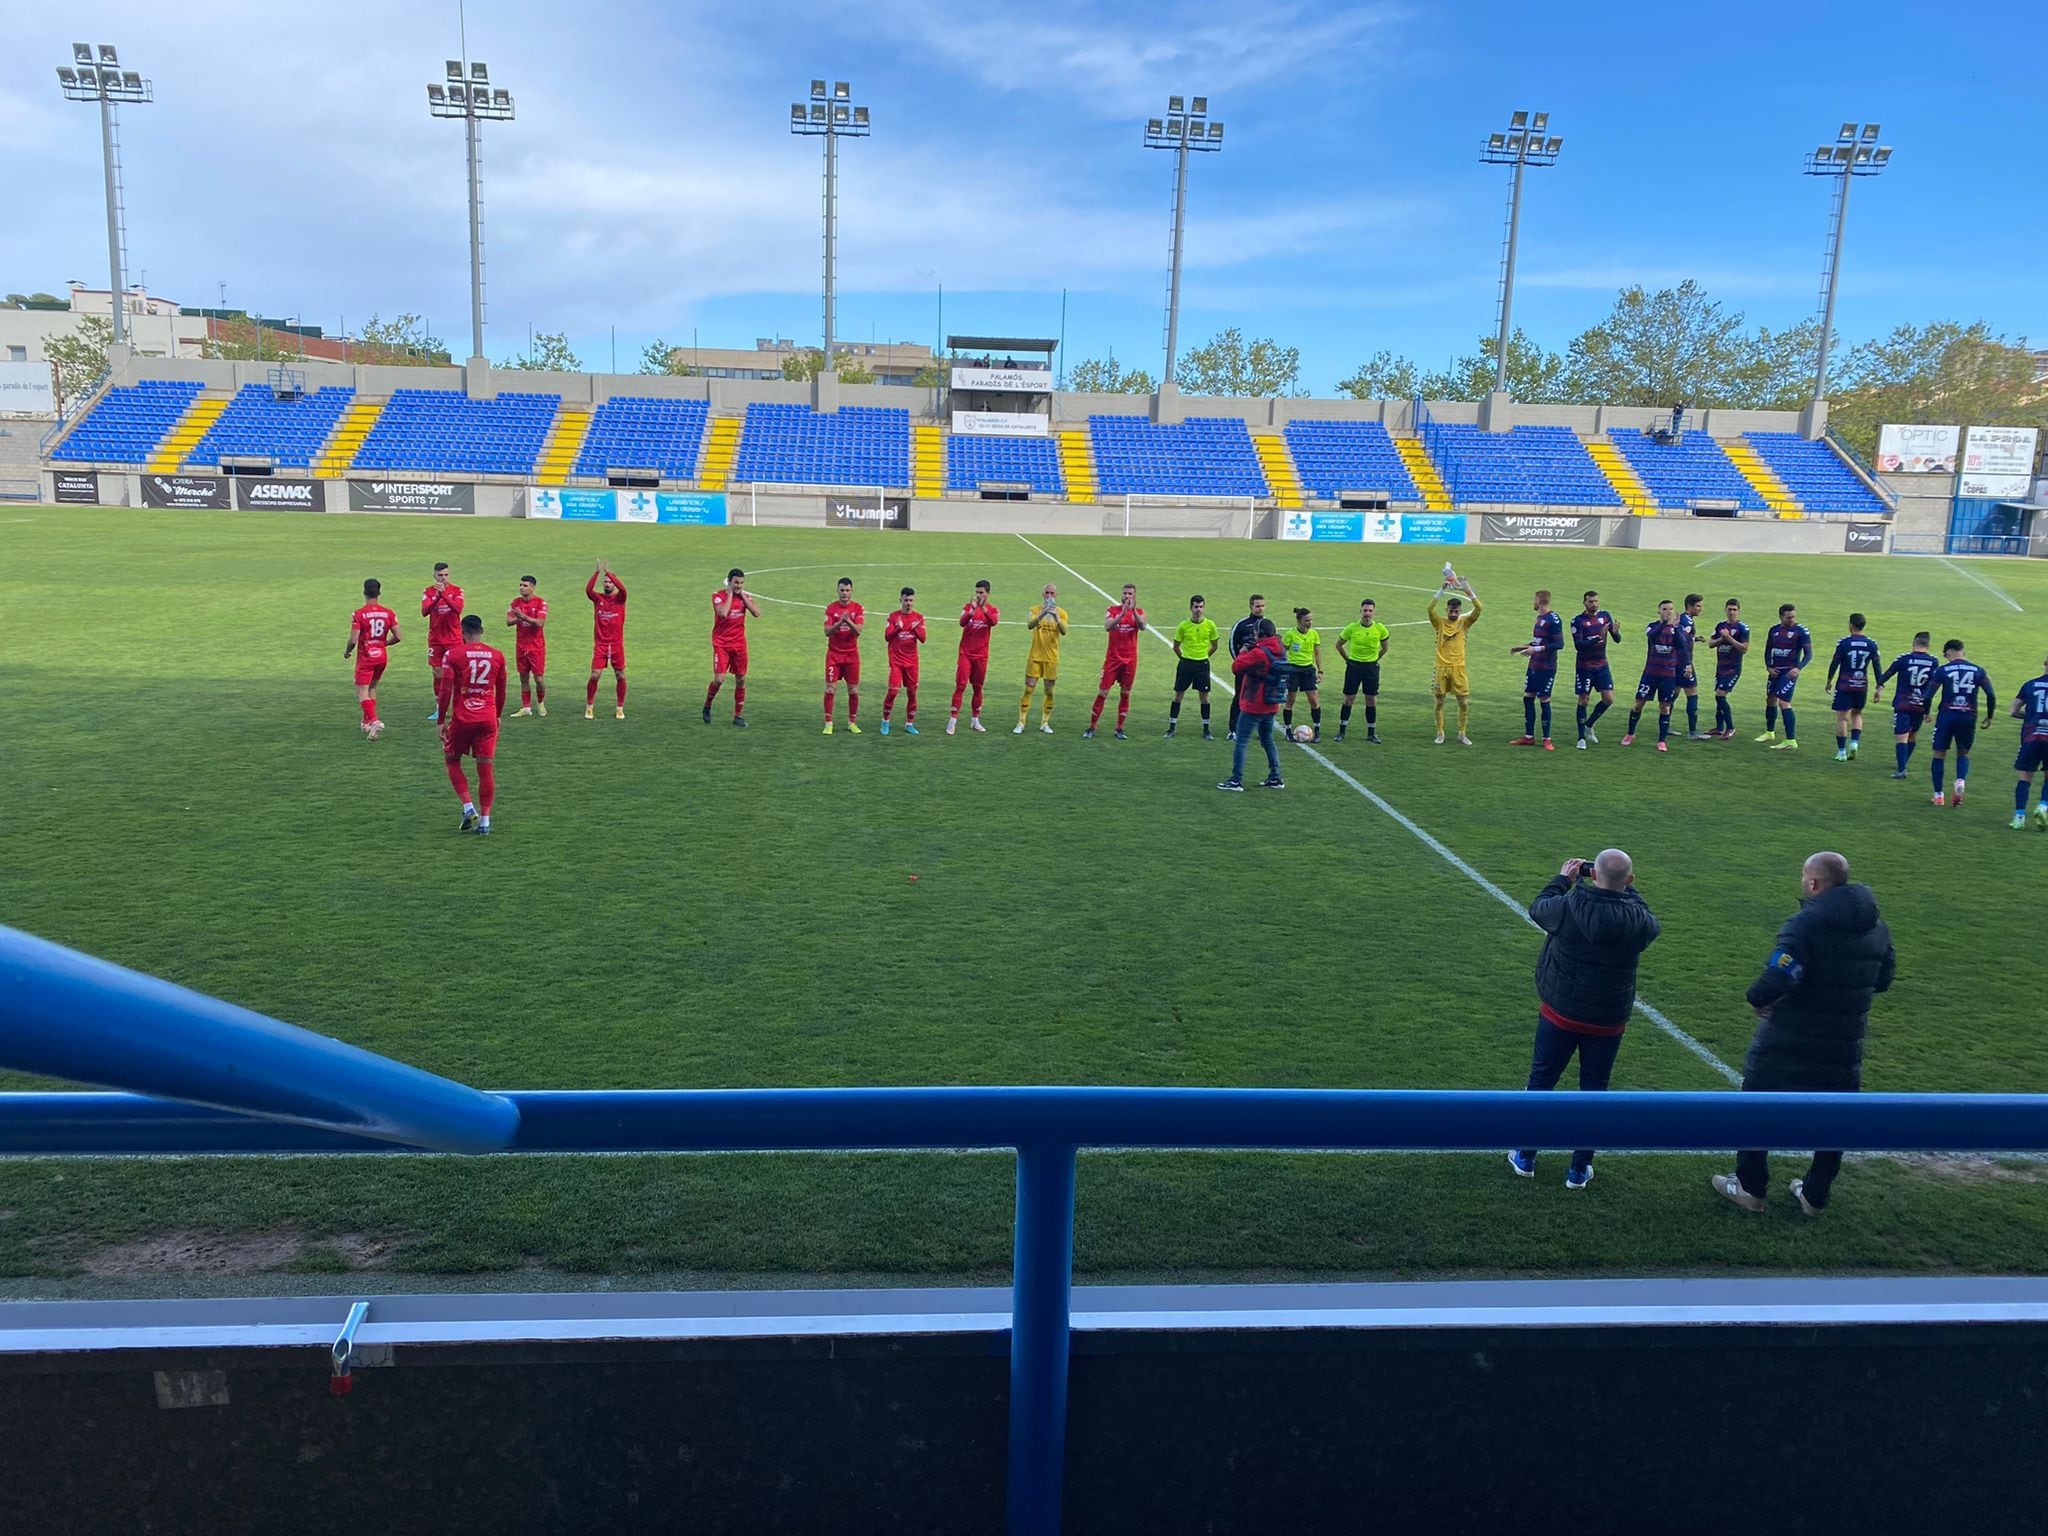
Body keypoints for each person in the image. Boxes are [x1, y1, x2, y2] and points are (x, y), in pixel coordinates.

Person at [1713, 852, 1894, 1216]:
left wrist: (1757, 998)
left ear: (1813, 883)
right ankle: (1815, 1195)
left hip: (1789, 1036)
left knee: (1756, 1104)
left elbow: (1781, 974)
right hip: (1845, 1040)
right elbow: (1884, 979)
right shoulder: (1877, 926)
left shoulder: (1805, 922)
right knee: (1836, 1115)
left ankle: (1750, 1187)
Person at [1508, 849, 1661, 1189]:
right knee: (1594, 1092)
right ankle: (1579, 1169)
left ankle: (1526, 1154)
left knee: (1542, 1081)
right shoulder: (1638, 921)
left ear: (1592, 875)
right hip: (1607, 1021)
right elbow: (1649, 918)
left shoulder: (1568, 907)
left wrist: (1563, 880)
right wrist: (1623, 887)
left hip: (1559, 1012)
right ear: (1630, 881)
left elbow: (1539, 907)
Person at [436, 613, 507, 836]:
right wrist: (498, 715)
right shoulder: (497, 655)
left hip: (463, 718)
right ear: (482, 631)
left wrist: (441, 719)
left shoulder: (453, 655)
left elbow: (445, 689)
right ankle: (485, 820)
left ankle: (468, 807)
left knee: (451, 759)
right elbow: (502, 690)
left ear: (461, 631)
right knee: (485, 768)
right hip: (487, 717)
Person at [1219, 617, 1288, 791]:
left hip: (1254, 702)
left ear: (1261, 633)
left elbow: (1236, 667)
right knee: (1267, 739)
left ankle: (1236, 780)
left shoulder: (1259, 653)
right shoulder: (1280, 648)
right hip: (1272, 702)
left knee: (1241, 740)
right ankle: (1276, 777)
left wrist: (1244, 651)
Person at [1929, 638, 1994, 808]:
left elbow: (1928, 695)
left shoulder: (1943, 670)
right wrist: (1990, 716)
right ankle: (1960, 781)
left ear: (1949, 652)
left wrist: (1926, 712)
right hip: (1968, 716)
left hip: (1947, 715)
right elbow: (1991, 695)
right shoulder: (1979, 671)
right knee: (1963, 752)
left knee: (1939, 753)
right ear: (1963, 651)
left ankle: (1938, 796)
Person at [1622, 600, 1684, 752]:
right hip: (1650, 673)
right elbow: (1652, 637)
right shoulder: (1653, 626)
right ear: (1659, 612)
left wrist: (1676, 629)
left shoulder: (1677, 629)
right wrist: (1663, 624)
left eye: (1670, 609)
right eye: (1664, 609)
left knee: (1665, 707)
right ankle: (1630, 733)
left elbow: (1682, 645)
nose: (1668, 611)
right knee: (1639, 704)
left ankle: (1662, 741)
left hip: (1668, 675)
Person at [1085, 583, 1145, 740]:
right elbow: (1107, 626)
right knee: (1103, 692)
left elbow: (1143, 626)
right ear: (1121, 594)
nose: (1127, 596)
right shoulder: (1112, 610)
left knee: (1125, 693)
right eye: (1125, 593)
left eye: (1130, 594)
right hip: (1112, 660)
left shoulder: (1139, 612)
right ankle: (1092, 727)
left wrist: (1133, 612)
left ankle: (1119, 728)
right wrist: (1122, 614)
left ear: (1135, 596)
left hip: (1130, 660)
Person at [1426, 579, 1481, 746]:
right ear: (1447, 610)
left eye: (1456, 611)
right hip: (1442, 668)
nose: (1453, 614)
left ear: (1460, 611)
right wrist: (1441, 589)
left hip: (1459, 668)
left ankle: (1462, 733)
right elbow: (1429, 608)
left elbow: (1479, 608)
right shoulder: (1439, 623)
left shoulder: (1464, 623)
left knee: (1463, 703)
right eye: (1451, 611)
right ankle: (1440, 732)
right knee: (1439, 702)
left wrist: (1468, 590)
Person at [345, 578, 401, 739]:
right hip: (381, 656)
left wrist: (347, 651)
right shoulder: (388, 613)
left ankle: (375, 720)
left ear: (364, 592)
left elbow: (353, 640)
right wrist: (385, 643)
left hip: (366, 657)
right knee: (372, 688)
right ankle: (366, 722)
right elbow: (399, 636)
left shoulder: (359, 613)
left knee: (361, 691)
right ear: (379, 593)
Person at [1878, 631, 1938, 779]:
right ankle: (1903, 762)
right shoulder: (1934, 661)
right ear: (1928, 645)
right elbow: (1933, 686)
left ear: (1913, 644)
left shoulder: (1903, 659)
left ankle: (1901, 769)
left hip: (1903, 703)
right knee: (1912, 735)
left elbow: (1887, 674)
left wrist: (1879, 687)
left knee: (1901, 737)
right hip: (1920, 704)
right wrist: (1927, 711)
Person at [704, 568, 758, 727]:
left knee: (741, 679)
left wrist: (743, 597)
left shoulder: (744, 597)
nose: (739, 586)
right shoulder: (718, 596)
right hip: (721, 644)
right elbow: (723, 613)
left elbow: (757, 613)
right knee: (719, 680)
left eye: (741, 583)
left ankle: (737, 716)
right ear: (729, 582)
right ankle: (707, 705)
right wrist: (729, 594)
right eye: (736, 583)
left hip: (739, 645)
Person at [1826, 613, 1883, 762]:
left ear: (1851, 625)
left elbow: (1835, 663)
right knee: (1857, 714)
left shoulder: (1844, 643)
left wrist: (1829, 680)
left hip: (1845, 684)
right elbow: (1877, 666)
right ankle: (1854, 743)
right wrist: (1879, 686)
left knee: (1842, 718)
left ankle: (1841, 752)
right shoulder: (1872, 644)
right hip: (1861, 685)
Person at [1754, 602, 1811, 750]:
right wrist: (1769, 667)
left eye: (1793, 617)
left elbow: (1808, 654)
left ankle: (1791, 740)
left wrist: (1798, 668)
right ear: (1781, 617)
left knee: (1784, 702)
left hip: (1789, 672)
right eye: (1788, 617)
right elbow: (1767, 651)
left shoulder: (1801, 631)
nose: (1791, 620)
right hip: (1775, 671)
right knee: (1770, 699)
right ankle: (1769, 732)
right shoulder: (1774, 630)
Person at [1570, 589, 1622, 749]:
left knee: (1609, 699)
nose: (1594, 604)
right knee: (1584, 700)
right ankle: (1581, 738)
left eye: (1596, 601)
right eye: (1590, 602)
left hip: (1602, 665)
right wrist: (1598, 638)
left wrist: (1615, 632)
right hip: (1584, 666)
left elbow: (1617, 640)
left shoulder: (1605, 616)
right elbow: (1578, 646)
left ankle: (1589, 725)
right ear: (1584, 603)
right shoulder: (1577, 621)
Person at [1335, 598, 1390, 743]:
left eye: (1370, 611)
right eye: (1365, 610)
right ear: (1360, 611)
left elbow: (1385, 647)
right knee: (1349, 699)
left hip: (1371, 668)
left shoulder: (1380, 629)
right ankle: (1341, 731)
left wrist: (1375, 660)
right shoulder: (1352, 628)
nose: (1367, 614)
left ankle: (1371, 733)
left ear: (1374, 612)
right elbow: (1339, 645)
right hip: (1354, 667)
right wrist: (1348, 660)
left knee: (1371, 700)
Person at [947, 580, 998, 735]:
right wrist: (972, 611)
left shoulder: (992, 610)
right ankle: (952, 721)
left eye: (981, 592)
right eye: (977, 592)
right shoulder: (968, 608)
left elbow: (994, 622)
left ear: (988, 594)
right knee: (961, 685)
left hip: (981, 655)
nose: (978, 595)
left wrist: (982, 608)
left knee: (978, 687)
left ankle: (975, 720)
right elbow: (962, 623)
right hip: (966, 654)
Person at [1015, 584, 1067, 734]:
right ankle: (1021, 722)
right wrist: (1043, 614)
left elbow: (1064, 631)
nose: (1049, 595)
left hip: (1051, 658)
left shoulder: (1062, 613)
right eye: (1047, 593)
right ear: (1042, 594)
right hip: (1035, 656)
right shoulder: (1034, 610)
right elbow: (1030, 625)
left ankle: (1045, 722)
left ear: (1056, 595)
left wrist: (1056, 617)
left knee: (1049, 692)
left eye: (1052, 593)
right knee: (1029, 689)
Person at [1166, 594, 1219, 739]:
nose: (1198, 610)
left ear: (1204, 608)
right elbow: (1176, 646)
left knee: (1204, 697)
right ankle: (1171, 728)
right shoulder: (1183, 626)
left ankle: (1206, 730)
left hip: (1202, 665)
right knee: (1178, 695)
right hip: (1186, 664)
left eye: (1201, 607)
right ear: (1191, 608)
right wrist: (1184, 658)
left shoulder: (1210, 625)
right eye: (1196, 607)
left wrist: (1204, 656)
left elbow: (1215, 645)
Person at [583, 559, 628, 720]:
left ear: (614, 585)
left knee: (620, 675)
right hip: (601, 645)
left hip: (616, 645)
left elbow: (623, 588)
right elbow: (588, 590)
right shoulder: (598, 599)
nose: (607, 584)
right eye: (605, 582)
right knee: (595, 675)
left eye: (610, 582)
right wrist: (597, 572)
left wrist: (609, 572)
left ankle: (620, 707)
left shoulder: (620, 599)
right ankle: (589, 706)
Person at [421, 562, 464, 723]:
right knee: (437, 673)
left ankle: (458, 706)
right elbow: (424, 612)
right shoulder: (428, 592)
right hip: (436, 640)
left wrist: (444, 595)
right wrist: (437, 597)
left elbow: (458, 609)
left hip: (454, 639)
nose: (443, 578)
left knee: (457, 674)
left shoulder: (457, 590)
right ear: (434, 576)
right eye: (440, 575)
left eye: (446, 575)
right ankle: (440, 707)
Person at [2009, 651, 2048, 830]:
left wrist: (2029, 716)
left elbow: (2013, 710)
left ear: (2045, 663)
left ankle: (2019, 817)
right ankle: (2043, 805)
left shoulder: (2030, 685)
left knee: (2025, 776)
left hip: (2031, 735)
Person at [822, 576, 865, 735]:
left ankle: (852, 722)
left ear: (851, 591)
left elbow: (858, 631)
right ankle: (828, 723)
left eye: (847, 590)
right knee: (830, 690)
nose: (844, 593)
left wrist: (848, 622)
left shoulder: (858, 608)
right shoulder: (830, 609)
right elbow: (827, 631)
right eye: (842, 590)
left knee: (853, 691)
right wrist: (841, 622)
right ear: (837, 591)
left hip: (851, 656)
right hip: (834, 655)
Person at [881, 587, 927, 736]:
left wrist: (915, 630)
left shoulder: (919, 618)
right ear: (900, 600)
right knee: (893, 692)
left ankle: (909, 724)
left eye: (911, 600)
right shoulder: (893, 617)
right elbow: (887, 637)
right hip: (896, 661)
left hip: (912, 662)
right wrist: (897, 629)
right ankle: (885, 721)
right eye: (906, 600)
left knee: (912, 693)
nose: (908, 603)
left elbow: (923, 639)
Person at [1279, 606, 1325, 742]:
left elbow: (1317, 653)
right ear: (1299, 621)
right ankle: (1288, 731)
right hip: (1293, 670)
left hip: (1307, 670)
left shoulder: (1314, 634)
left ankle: (1317, 731)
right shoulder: (1290, 635)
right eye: (1307, 620)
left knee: (1314, 700)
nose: (1310, 623)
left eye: (1311, 620)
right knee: (1290, 701)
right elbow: (1282, 653)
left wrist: (1320, 670)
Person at [1225, 594, 1269, 738]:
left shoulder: (1267, 625)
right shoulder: (1242, 624)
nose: (1260, 608)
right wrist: (1239, 663)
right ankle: (1233, 730)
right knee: (1239, 697)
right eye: (1257, 606)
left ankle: (1257, 729)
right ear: (1251, 607)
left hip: (1260, 672)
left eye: (1262, 606)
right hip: (1244, 670)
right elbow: (1232, 644)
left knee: (1259, 698)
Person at [1706, 599, 1750, 739]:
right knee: (1718, 697)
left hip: (1733, 669)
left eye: (1734, 609)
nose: (1732, 612)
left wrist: (1729, 638)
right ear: (1725, 610)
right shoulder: (1720, 626)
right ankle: (1719, 728)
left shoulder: (1743, 628)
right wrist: (1721, 639)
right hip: (1720, 668)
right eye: (1729, 609)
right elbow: (1711, 644)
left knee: (1720, 695)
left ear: (1738, 611)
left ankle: (1730, 727)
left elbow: (1744, 648)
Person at [506, 575, 548, 718]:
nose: (521, 588)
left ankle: (541, 703)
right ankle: (526, 707)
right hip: (521, 646)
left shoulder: (541, 603)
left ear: (532, 587)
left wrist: (523, 617)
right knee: (523, 678)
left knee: (539, 679)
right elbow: (508, 622)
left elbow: (540, 623)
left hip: (536, 647)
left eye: (525, 585)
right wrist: (518, 617)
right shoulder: (515, 602)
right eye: (521, 585)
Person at [1678, 594, 1711, 740]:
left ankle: (1665, 727)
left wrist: (1695, 638)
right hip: (1683, 663)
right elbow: (1682, 640)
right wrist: (1687, 664)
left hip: (1675, 662)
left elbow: (1681, 636)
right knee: (1692, 694)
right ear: (1689, 606)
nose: (1700, 609)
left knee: (1672, 694)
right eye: (1698, 606)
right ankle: (1693, 732)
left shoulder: (1684, 620)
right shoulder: (1687, 620)